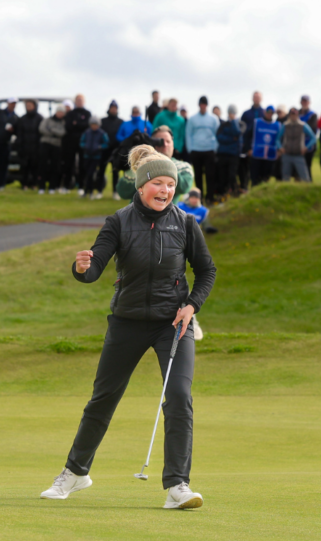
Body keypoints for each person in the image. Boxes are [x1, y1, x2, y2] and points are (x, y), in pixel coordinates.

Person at [40, 144, 216, 509]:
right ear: (141, 186)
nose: (166, 190)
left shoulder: (185, 223)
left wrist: (191, 305)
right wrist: (82, 267)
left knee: (180, 398)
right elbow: (93, 270)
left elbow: (206, 271)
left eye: (171, 184)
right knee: (103, 399)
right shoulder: (119, 221)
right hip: (127, 322)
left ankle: (178, 486)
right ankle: (75, 473)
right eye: (158, 184)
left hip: (173, 324)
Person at [116, 126, 193, 200]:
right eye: (160, 141)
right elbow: (124, 194)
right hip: (137, 211)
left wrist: (163, 161)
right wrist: (136, 161)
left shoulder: (184, 167)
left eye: (168, 141)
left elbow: (183, 188)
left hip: (166, 212)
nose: (165, 145)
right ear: (152, 144)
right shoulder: (142, 164)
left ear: (173, 145)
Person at [186, 96, 220, 201]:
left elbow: (217, 134)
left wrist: (215, 149)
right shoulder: (192, 119)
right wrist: (190, 149)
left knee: (210, 175)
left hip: (209, 150)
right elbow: (188, 134)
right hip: (196, 150)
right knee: (198, 176)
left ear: (207, 105)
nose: (203, 106)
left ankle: (210, 197)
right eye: (201, 104)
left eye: (204, 104)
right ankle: (198, 198)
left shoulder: (214, 119)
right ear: (199, 105)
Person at [276, 106, 316, 182]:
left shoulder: (303, 125)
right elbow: (277, 139)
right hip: (286, 154)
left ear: (297, 115)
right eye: (292, 114)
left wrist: (306, 148)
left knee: (305, 178)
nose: (293, 116)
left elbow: (313, 138)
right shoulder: (285, 125)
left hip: (298, 155)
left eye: (295, 114)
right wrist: (280, 148)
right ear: (289, 115)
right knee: (285, 178)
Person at [0, 97, 18, 190]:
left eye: (14, 103)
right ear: (8, 103)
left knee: (4, 165)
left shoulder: (16, 117)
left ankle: (1, 185)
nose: (13, 105)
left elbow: (17, 132)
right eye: (11, 103)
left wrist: (13, 130)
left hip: (6, 143)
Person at [215, 105, 244, 197]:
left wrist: (234, 122)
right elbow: (219, 137)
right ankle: (223, 194)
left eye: (233, 113)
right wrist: (232, 139)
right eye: (230, 113)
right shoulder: (223, 124)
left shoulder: (240, 124)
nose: (231, 114)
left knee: (232, 175)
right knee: (222, 176)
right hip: (223, 154)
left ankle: (234, 193)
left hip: (234, 155)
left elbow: (237, 133)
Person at [239, 92, 265, 190]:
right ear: (252, 98)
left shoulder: (264, 112)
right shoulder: (246, 114)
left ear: (261, 98)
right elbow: (242, 131)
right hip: (248, 147)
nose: (256, 99)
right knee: (246, 171)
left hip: (261, 148)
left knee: (259, 171)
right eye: (255, 97)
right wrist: (247, 148)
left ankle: (258, 190)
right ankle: (245, 189)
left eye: (258, 97)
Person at [38, 104, 67, 193]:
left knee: (55, 166)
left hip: (56, 146)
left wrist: (51, 130)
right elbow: (41, 129)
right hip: (45, 144)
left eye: (62, 112)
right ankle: (41, 187)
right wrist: (54, 133)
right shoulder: (47, 120)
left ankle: (52, 187)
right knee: (43, 165)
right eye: (59, 112)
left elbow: (62, 133)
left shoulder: (63, 122)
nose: (60, 114)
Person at [79, 115, 109, 199]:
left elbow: (106, 143)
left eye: (95, 124)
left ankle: (90, 191)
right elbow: (82, 142)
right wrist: (85, 146)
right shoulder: (87, 132)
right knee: (87, 174)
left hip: (96, 157)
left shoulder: (102, 133)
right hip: (87, 156)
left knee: (91, 174)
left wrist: (99, 147)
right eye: (92, 124)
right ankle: (86, 191)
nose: (94, 126)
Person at [16, 100, 43, 190]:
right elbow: (19, 134)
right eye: (27, 105)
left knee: (35, 167)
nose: (28, 107)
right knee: (25, 167)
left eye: (30, 105)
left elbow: (41, 133)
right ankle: (24, 185)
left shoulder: (40, 118)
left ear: (34, 106)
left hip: (36, 147)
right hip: (25, 146)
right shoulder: (22, 119)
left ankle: (34, 185)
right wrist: (19, 146)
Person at [100, 101, 123, 199]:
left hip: (116, 150)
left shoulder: (121, 122)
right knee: (101, 171)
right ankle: (99, 191)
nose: (113, 109)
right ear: (109, 109)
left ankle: (115, 192)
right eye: (112, 108)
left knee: (115, 172)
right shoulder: (103, 121)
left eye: (115, 108)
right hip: (104, 150)